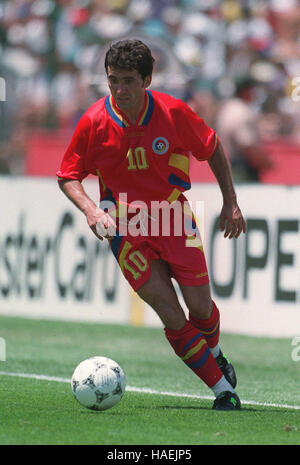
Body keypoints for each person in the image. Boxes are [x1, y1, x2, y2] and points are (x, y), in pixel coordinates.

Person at [57, 39, 246, 410]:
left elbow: (211, 148)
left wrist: (231, 202)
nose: (120, 89)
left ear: (147, 79)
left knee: (200, 308)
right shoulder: (94, 121)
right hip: (125, 230)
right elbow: (68, 175)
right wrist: (91, 211)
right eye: (113, 80)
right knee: (168, 309)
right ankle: (223, 390)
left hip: (173, 218)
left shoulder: (173, 112)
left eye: (128, 80)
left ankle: (216, 353)